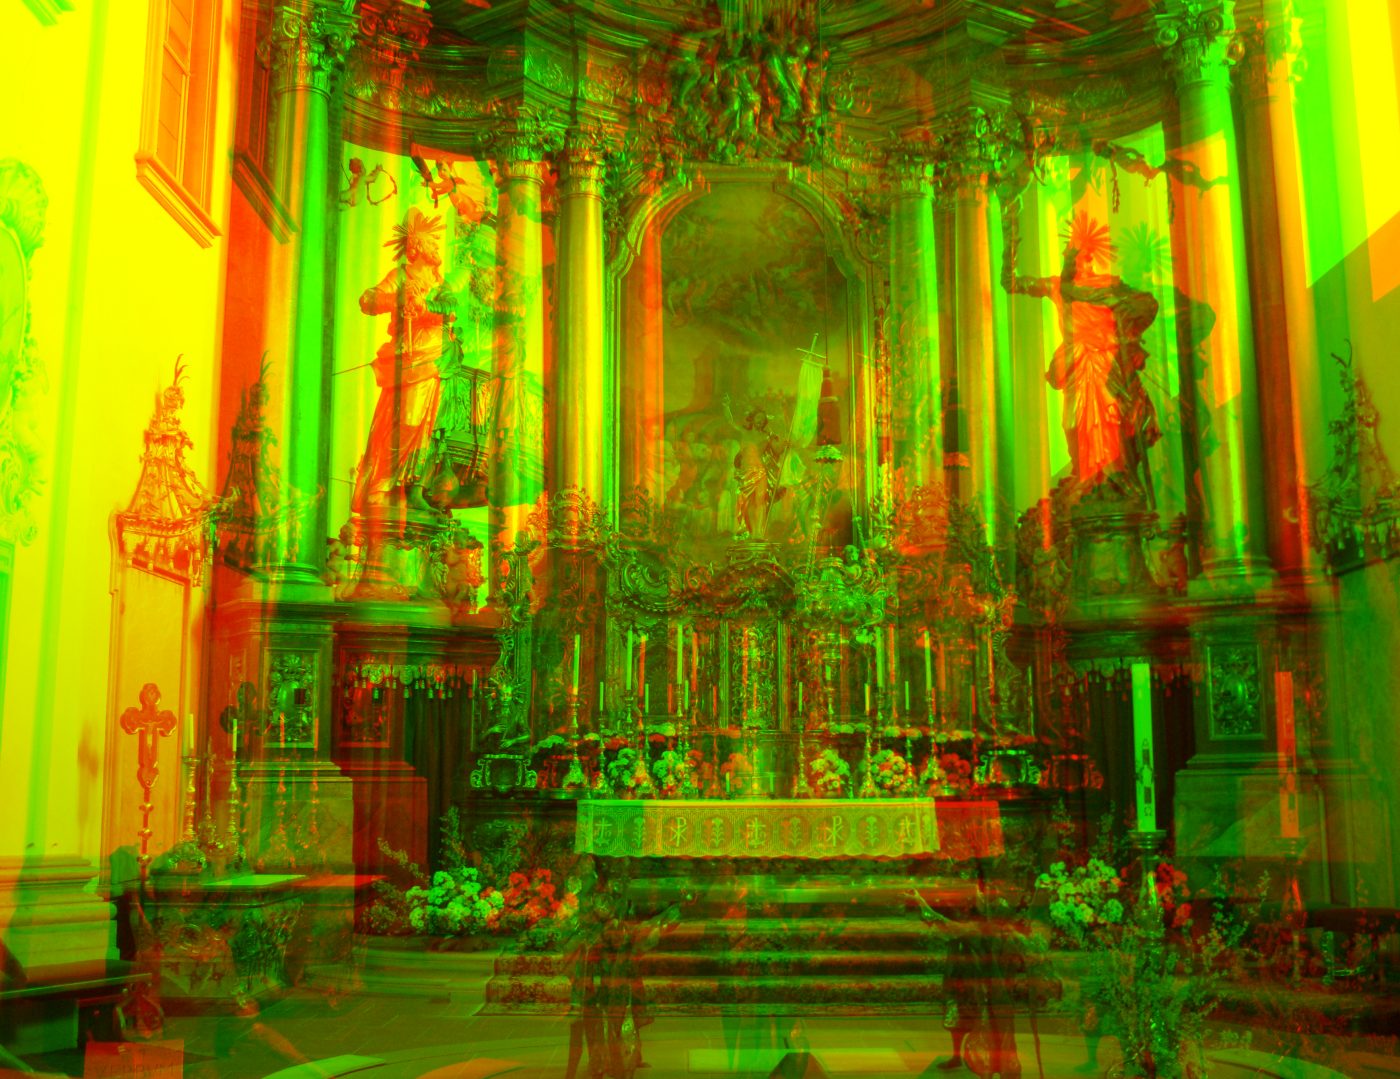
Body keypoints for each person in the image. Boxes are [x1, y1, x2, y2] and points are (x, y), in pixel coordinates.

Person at [1002, 211, 1160, 505]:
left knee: (1111, 421)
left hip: (1108, 366)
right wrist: (1009, 241)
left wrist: (1126, 328)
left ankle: (1113, 480)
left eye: (1077, 256)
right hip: (1076, 364)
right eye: (1068, 256)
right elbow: (1011, 283)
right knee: (1073, 424)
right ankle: (1086, 478)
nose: (1072, 261)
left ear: (1089, 257)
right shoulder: (1057, 287)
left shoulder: (1110, 286)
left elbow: (1147, 304)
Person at [352, 208, 460, 519]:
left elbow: (451, 309)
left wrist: (424, 306)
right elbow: (368, 300)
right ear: (416, 245)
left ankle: (415, 488)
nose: (437, 247)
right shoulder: (401, 275)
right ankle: (381, 486)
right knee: (406, 422)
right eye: (432, 242)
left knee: (429, 427)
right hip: (411, 358)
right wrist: (398, 299)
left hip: (439, 359)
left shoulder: (441, 283)